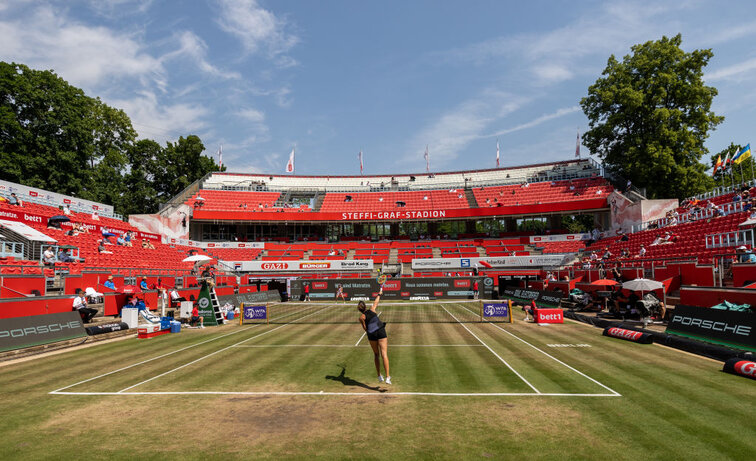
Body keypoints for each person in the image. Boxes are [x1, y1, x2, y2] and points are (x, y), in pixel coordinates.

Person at [357, 286, 390, 384]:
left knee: (376, 355)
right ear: (365, 306)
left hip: (371, 334)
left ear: (359, 309)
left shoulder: (361, 318)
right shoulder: (372, 309)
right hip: (380, 331)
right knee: (384, 354)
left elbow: (365, 329)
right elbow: (376, 301)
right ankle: (388, 377)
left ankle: (379, 375)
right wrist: (380, 293)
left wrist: (371, 330)